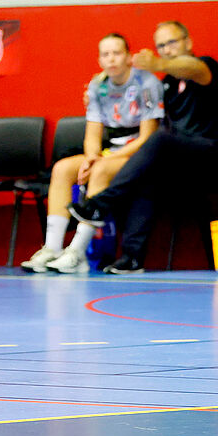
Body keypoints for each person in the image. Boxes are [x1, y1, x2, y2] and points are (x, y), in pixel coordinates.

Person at [65, 19, 218, 274]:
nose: (167, 49)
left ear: (188, 42)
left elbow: (190, 68)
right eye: (161, 46)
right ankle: (131, 259)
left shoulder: (205, 68)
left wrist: (158, 64)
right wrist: (101, 87)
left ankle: (101, 203)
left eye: (172, 42)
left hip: (216, 154)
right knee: (147, 176)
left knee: (159, 138)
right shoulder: (167, 86)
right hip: (185, 161)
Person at [27, 33, 163, 273]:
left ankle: (77, 251)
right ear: (100, 60)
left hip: (140, 155)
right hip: (108, 151)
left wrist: (102, 160)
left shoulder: (147, 84)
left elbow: (147, 137)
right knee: (62, 168)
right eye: (105, 54)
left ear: (129, 57)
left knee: (100, 170)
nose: (111, 59)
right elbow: (92, 133)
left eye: (117, 53)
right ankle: (52, 248)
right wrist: (91, 157)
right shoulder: (97, 86)